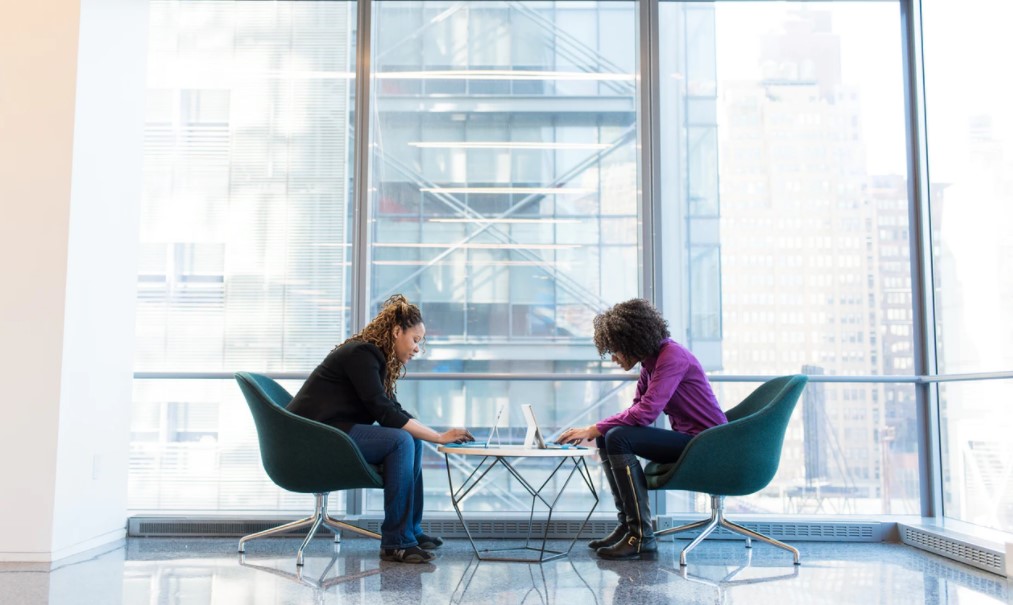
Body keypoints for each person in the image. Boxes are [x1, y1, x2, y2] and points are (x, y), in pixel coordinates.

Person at [287, 294, 474, 564]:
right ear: (397, 331)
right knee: (400, 440)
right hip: (312, 437)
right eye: (415, 340)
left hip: (332, 432)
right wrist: (438, 437)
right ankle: (396, 543)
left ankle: (410, 531)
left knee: (410, 438)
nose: (417, 349)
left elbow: (392, 410)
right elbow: (385, 414)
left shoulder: (374, 357)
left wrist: (434, 435)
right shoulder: (362, 354)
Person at [558, 298, 727, 560]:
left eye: (615, 350)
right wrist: (597, 431)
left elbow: (646, 413)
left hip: (708, 444)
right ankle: (628, 527)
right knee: (609, 436)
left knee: (615, 435)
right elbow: (637, 408)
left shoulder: (672, 357)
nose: (613, 358)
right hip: (691, 440)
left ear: (631, 342)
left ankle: (641, 537)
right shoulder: (651, 363)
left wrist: (593, 427)